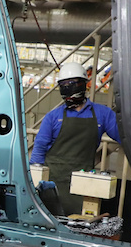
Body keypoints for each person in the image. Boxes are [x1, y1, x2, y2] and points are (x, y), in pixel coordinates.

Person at [29, 62, 119, 216]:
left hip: (84, 187)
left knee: (80, 224)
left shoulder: (103, 114)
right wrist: (32, 185)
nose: (67, 87)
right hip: (52, 187)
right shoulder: (52, 117)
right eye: (63, 84)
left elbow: (125, 137)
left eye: (72, 83)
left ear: (83, 84)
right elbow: (38, 151)